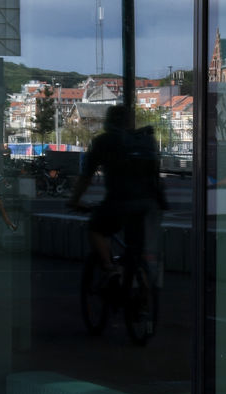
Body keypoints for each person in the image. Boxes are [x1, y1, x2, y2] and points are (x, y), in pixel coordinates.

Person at [68, 105, 167, 286]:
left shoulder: (103, 142)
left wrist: (74, 201)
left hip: (120, 202)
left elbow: (86, 177)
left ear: (108, 121)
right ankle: (144, 298)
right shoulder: (145, 140)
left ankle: (109, 268)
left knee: (97, 227)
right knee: (138, 250)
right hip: (150, 204)